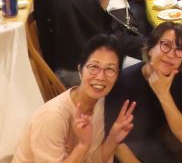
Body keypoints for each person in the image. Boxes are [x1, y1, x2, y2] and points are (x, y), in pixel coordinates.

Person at [13, 34, 136, 163]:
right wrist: (83, 145)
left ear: (117, 77)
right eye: (94, 67)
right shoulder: (52, 117)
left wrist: (112, 139)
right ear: (80, 70)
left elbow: (92, 161)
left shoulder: (101, 104)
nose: (100, 77)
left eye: (110, 69)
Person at [105, 22, 182, 162]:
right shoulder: (122, 83)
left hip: (158, 149)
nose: (171, 54)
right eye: (166, 45)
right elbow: (116, 143)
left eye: (179, 49)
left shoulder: (176, 80)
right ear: (150, 49)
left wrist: (163, 94)